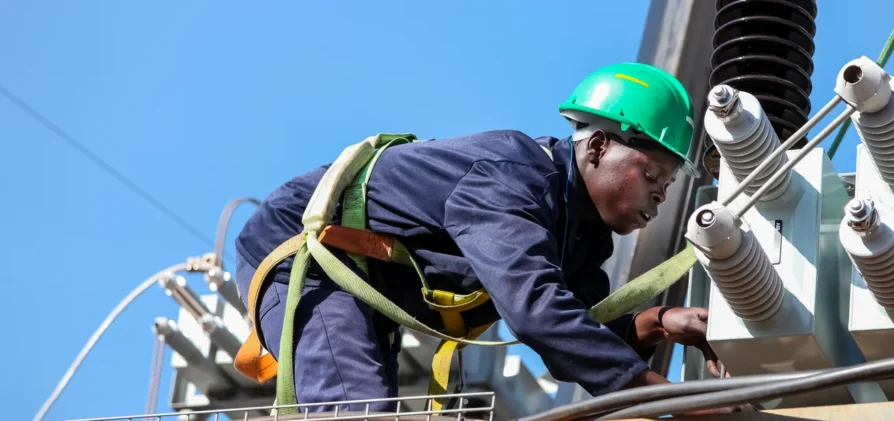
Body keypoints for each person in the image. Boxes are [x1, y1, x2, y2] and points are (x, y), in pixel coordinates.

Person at [233, 62, 729, 413]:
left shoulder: (577, 233)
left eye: (668, 183)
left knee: (371, 406)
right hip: (307, 258)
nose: (662, 194)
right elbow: (540, 317)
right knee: (356, 407)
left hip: (367, 280)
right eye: (652, 174)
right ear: (597, 146)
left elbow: (580, 334)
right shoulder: (511, 179)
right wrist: (673, 403)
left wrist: (662, 322)